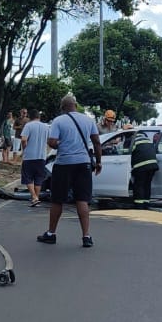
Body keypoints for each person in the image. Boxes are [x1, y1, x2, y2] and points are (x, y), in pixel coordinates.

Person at [38, 94, 102, 248]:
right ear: (76, 105)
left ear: (63, 107)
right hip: (84, 164)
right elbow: (97, 142)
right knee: (82, 199)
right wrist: (99, 162)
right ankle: (86, 236)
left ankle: (51, 233)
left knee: (57, 199)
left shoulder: (58, 121)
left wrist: (62, 143)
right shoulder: (88, 120)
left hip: (64, 164)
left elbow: (52, 142)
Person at [19, 109, 49, 207]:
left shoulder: (28, 126)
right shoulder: (45, 126)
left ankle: (34, 196)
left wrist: (24, 148)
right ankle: (36, 197)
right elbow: (49, 140)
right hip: (41, 156)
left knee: (28, 177)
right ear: (38, 117)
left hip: (29, 156)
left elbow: (23, 139)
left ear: (29, 117)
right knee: (38, 178)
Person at [130, 130, 158, 209]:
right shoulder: (147, 140)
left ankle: (139, 205)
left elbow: (126, 153)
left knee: (139, 185)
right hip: (153, 165)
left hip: (141, 166)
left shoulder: (132, 140)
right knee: (147, 184)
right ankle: (146, 203)